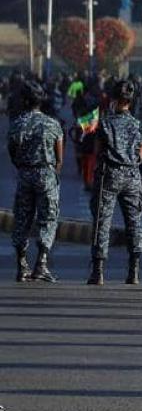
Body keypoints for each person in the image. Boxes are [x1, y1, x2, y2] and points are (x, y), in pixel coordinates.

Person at [86, 80, 142, 285]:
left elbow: (96, 151)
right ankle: (134, 271)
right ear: (131, 101)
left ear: (113, 99)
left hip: (109, 175)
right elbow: (141, 154)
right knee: (134, 223)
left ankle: (98, 271)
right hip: (132, 176)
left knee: (103, 222)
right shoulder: (139, 125)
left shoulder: (105, 123)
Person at [8, 80, 64, 283]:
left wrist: (25, 167)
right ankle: (41, 263)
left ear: (24, 101)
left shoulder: (17, 125)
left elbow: (12, 153)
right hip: (46, 175)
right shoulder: (53, 124)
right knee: (48, 219)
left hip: (25, 175)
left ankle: (22, 265)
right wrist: (51, 171)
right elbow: (60, 158)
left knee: (22, 219)